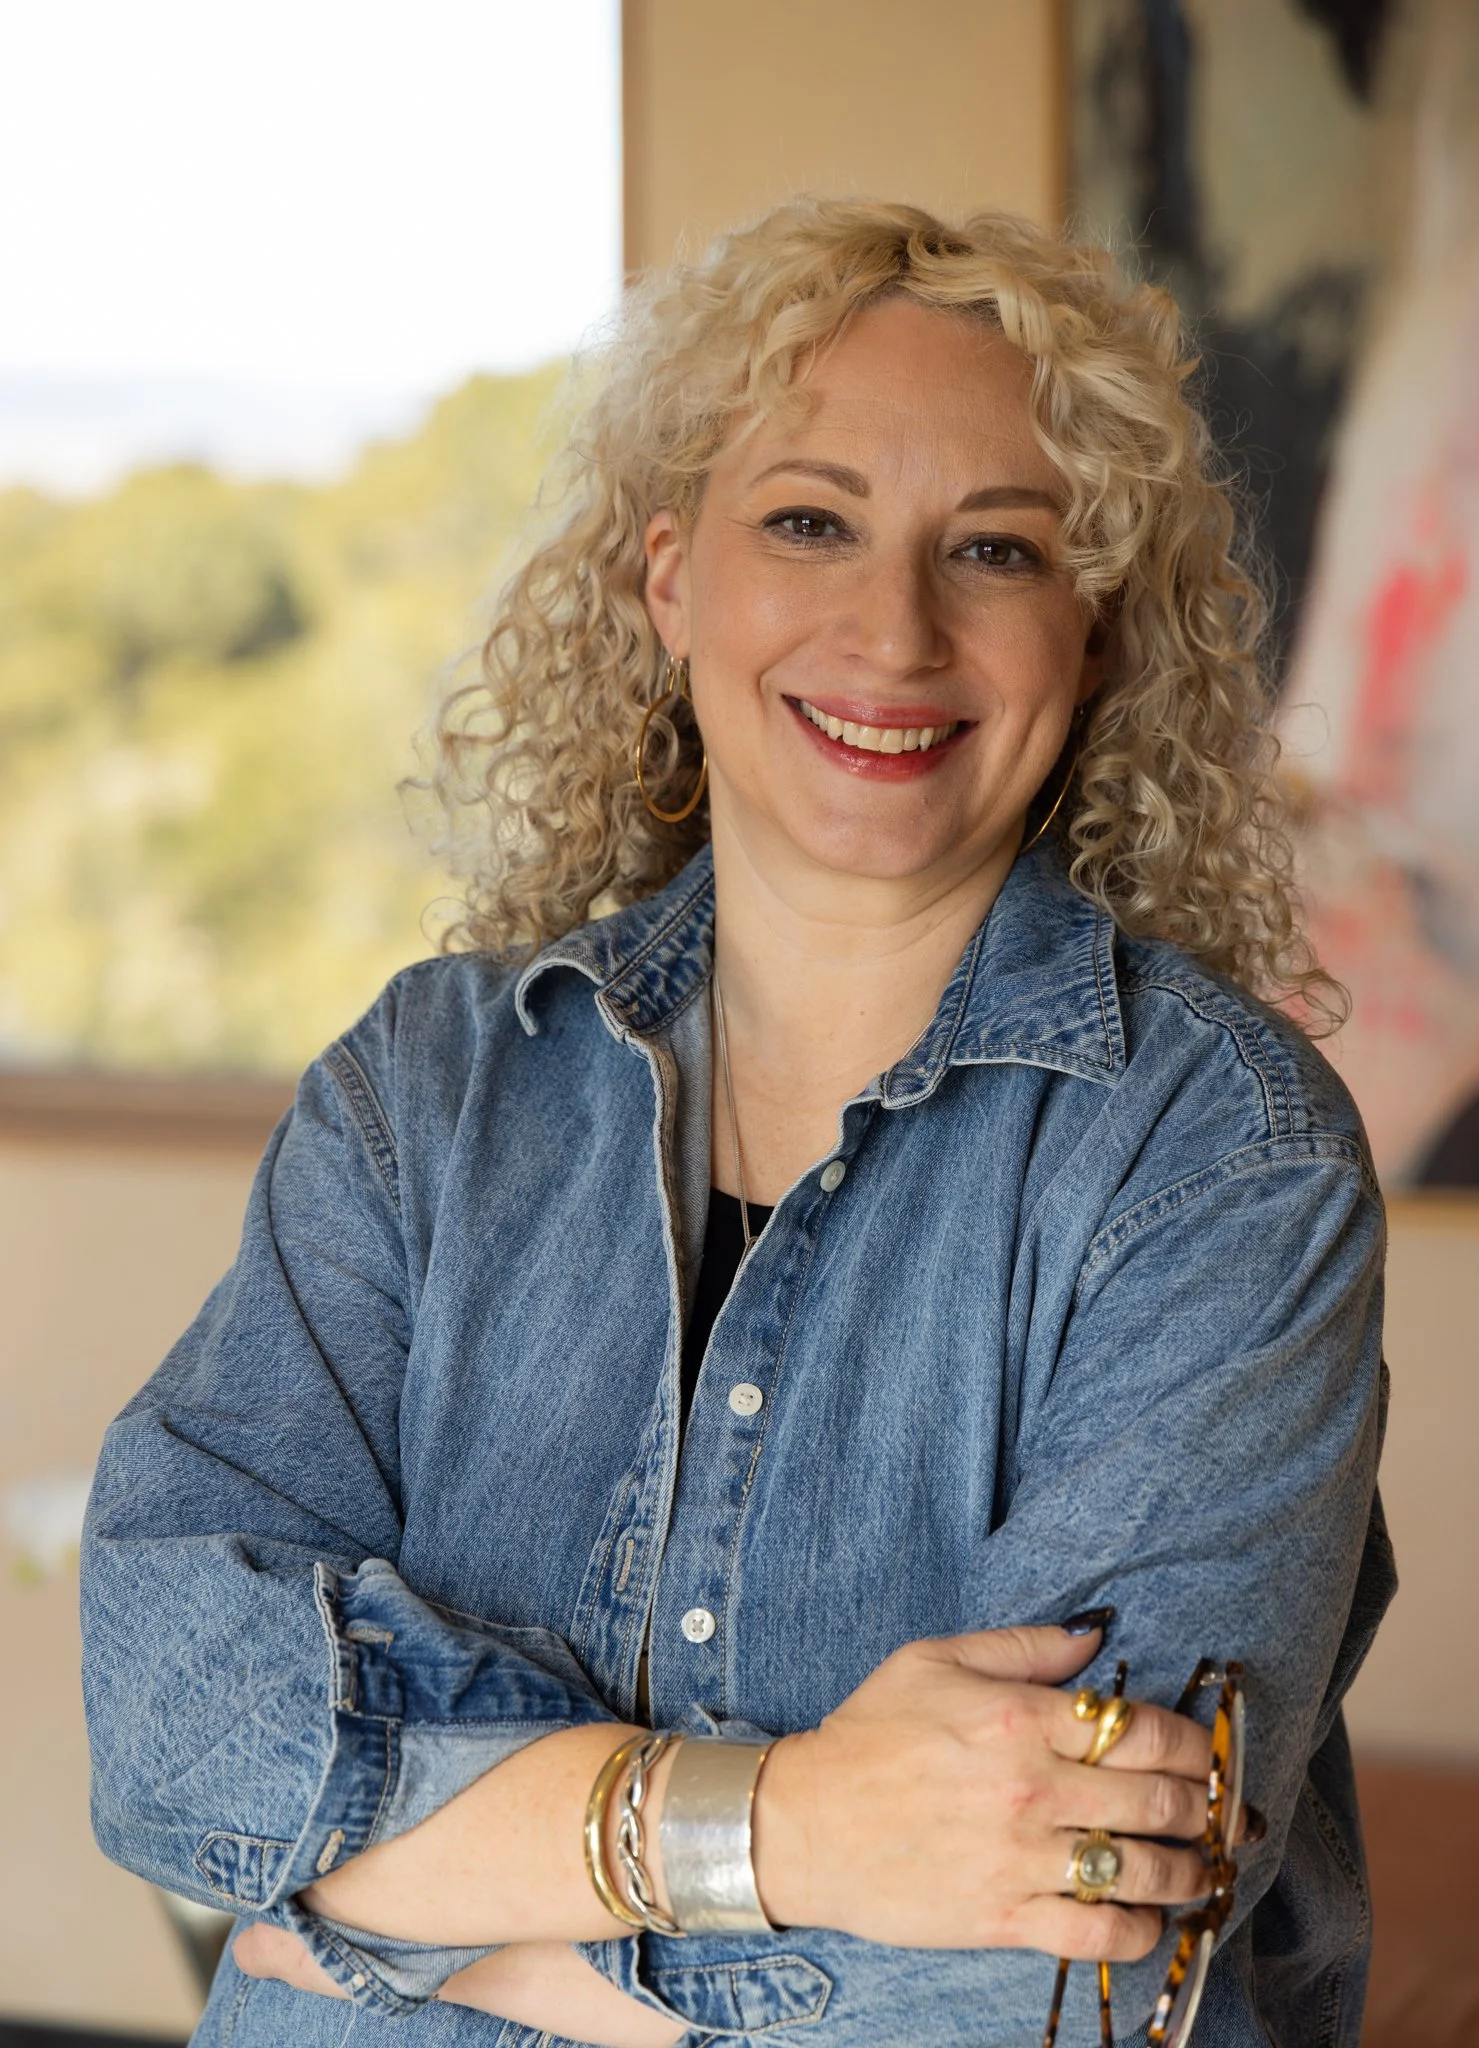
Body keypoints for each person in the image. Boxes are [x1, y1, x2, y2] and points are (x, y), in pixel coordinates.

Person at [81, 200, 1392, 2048]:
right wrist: (786, 1830)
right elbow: (170, 1728)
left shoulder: (1224, 1160)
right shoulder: (427, 1090)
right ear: (670, 578)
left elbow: (1075, 1924)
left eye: (994, 549)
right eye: (810, 521)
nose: (893, 627)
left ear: (1088, 638)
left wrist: (405, 1926)